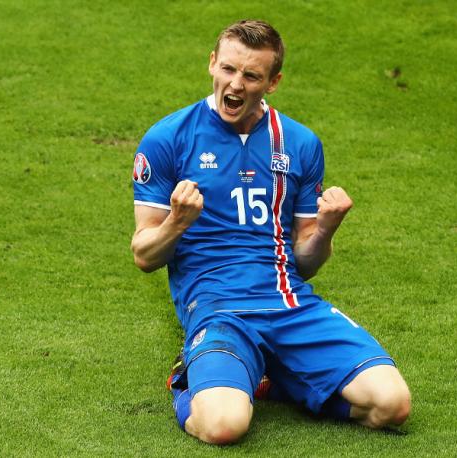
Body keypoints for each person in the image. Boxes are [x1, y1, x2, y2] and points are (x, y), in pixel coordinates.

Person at [130, 20, 411, 445]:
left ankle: (274, 377)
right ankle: (189, 379)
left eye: (251, 75)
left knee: (392, 405)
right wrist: (178, 222)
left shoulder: (298, 143)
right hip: (217, 308)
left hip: (289, 304)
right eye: (227, 69)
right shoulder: (168, 138)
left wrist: (327, 230)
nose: (235, 85)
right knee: (224, 427)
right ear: (212, 64)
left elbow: (305, 263)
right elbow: (145, 256)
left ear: (273, 82)